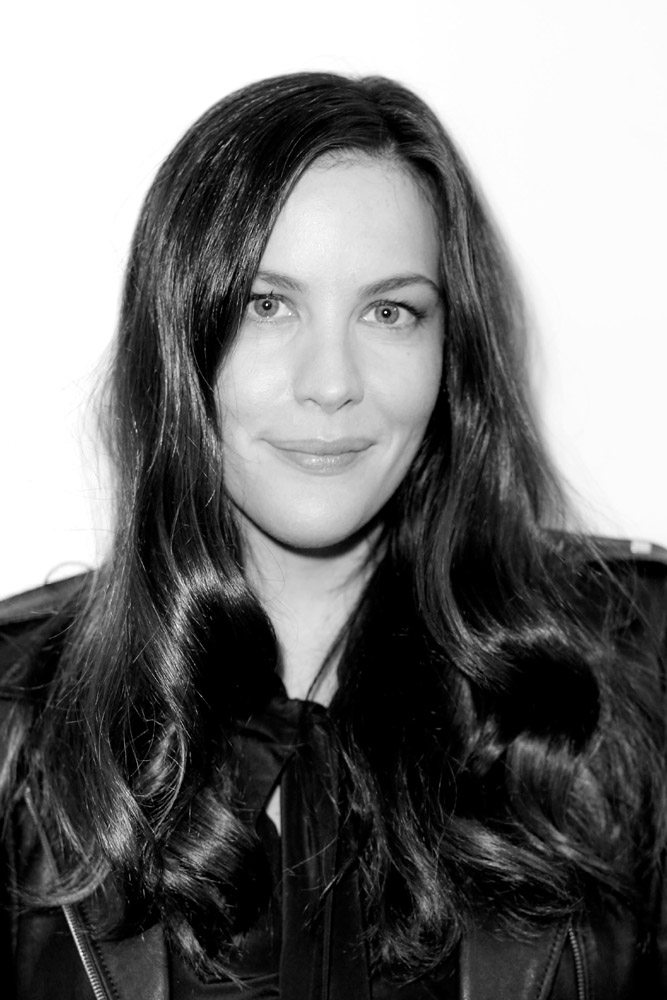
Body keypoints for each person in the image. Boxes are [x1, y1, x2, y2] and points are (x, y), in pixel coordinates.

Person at [1, 72, 666, 1000]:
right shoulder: (16, 711)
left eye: (389, 312)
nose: (330, 382)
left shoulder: (630, 662)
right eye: (266, 305)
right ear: (176, 336)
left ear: (451, 352)